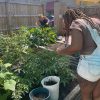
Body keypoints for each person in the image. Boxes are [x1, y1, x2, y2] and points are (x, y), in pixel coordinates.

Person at [56, 9, 100, 100]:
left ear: (69, 19)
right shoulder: (94, 21)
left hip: (90, 68)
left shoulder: (76, 23)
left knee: (86, 95)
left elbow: (76, 47)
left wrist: (60, 51)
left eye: (65, 23)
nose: (65, 26)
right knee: (97, 95)